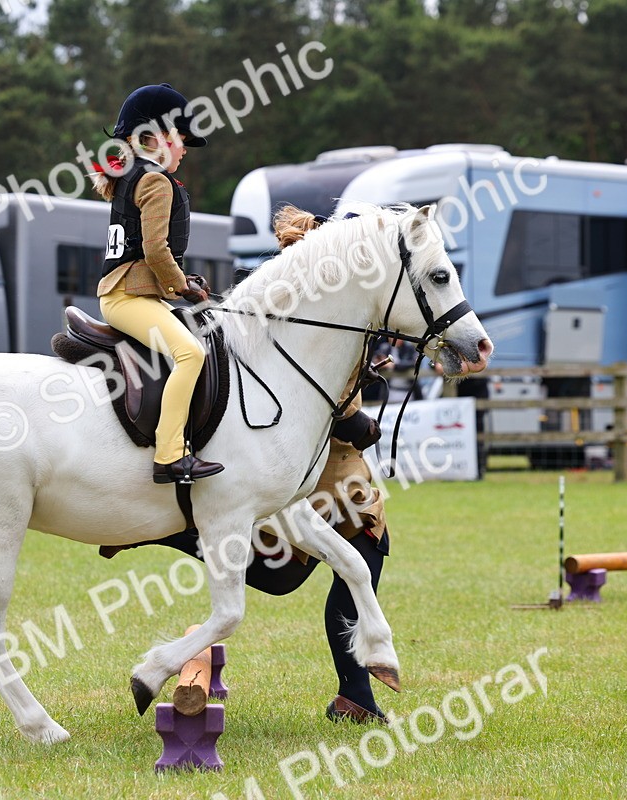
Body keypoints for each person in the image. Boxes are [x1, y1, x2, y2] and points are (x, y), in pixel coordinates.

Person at [102, 206, 393, 724]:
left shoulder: (335, 307)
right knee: (318, 564)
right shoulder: (318, 307)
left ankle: (355, 692)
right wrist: (362, 419)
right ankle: (162, 524)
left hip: (321, 458)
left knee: (323, 564)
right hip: (315, 460)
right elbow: (333, 406)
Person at [89, 83, 221, 484]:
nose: (183, 150)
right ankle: (169, 454)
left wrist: (178, 283)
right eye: (181, 140)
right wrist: (184, 287)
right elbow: (156, 252)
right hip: (127, 297)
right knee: (191, 354)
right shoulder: (155, 181)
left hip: (129, 293)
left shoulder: (131, 176)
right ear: (160, 137)